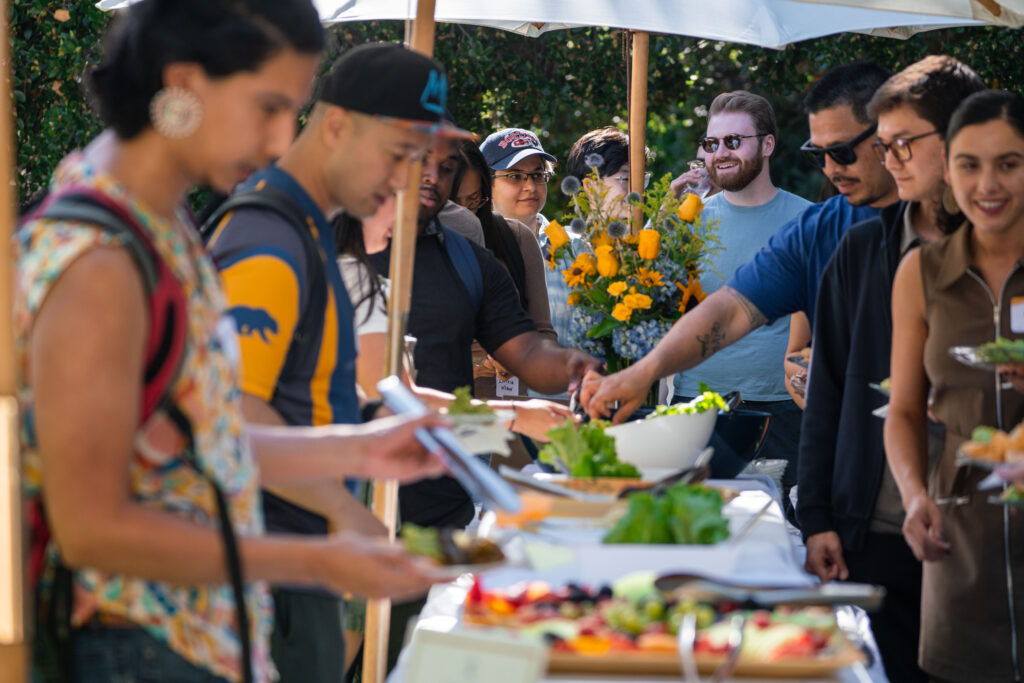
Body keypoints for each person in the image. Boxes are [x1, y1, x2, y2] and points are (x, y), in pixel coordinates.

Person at [15, 4, 450, 681]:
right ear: (184, 83)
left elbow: (196, 440)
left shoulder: (161, 225)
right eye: (269, 106)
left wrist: (358, 447)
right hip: (132, 650)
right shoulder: (99, 259)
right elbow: (92, 526)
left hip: (189, 644)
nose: (282, 140)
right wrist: (314, 557)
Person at [205, 43, 463, 682]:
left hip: (301, 564)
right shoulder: (269, 240)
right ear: (337, 124)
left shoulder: (306, 232)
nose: (406, 181)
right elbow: (233, 417)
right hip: (274, 577)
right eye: (400, 153)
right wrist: (351, 515)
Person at [798, 55, 984, 683]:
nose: (893, 157)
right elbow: (829, 389)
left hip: (990, 531)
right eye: (886, 145)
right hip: (877, 530)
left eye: (903, 143)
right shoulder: (860, 250)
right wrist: (818, 517)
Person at [582, 61, 898, 423]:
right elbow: (729, 310)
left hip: (801, 411)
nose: (828, 168)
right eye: (711, 144)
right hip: (702, 403)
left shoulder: (815, 219)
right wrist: (642, 371)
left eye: (733, 142)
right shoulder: (816, 227)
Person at [367, 132, 602, 529]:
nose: (434, 180)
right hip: (360, 500)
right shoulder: (344, 251)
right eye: (423, 163)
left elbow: (526, 350)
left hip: (446, 500)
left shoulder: (470, 258)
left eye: (445, 169)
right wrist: (513, 415)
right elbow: (391, 396)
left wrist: (579, 366)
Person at [885, 89, 1024, 683]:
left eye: (1009, 163)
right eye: (969, 164)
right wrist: (915, 497)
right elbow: (905, 412)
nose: (987, 184)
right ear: (947, 171)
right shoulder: (921, 272)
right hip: (958, 532)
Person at [670, 91, 810, 491]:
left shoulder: (807, 221)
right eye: (712, 144)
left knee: (783, 531)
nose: (720, 153)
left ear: (768, 144)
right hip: (694, 408)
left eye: (734, 141)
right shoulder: (688, 222)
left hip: (782, 409)